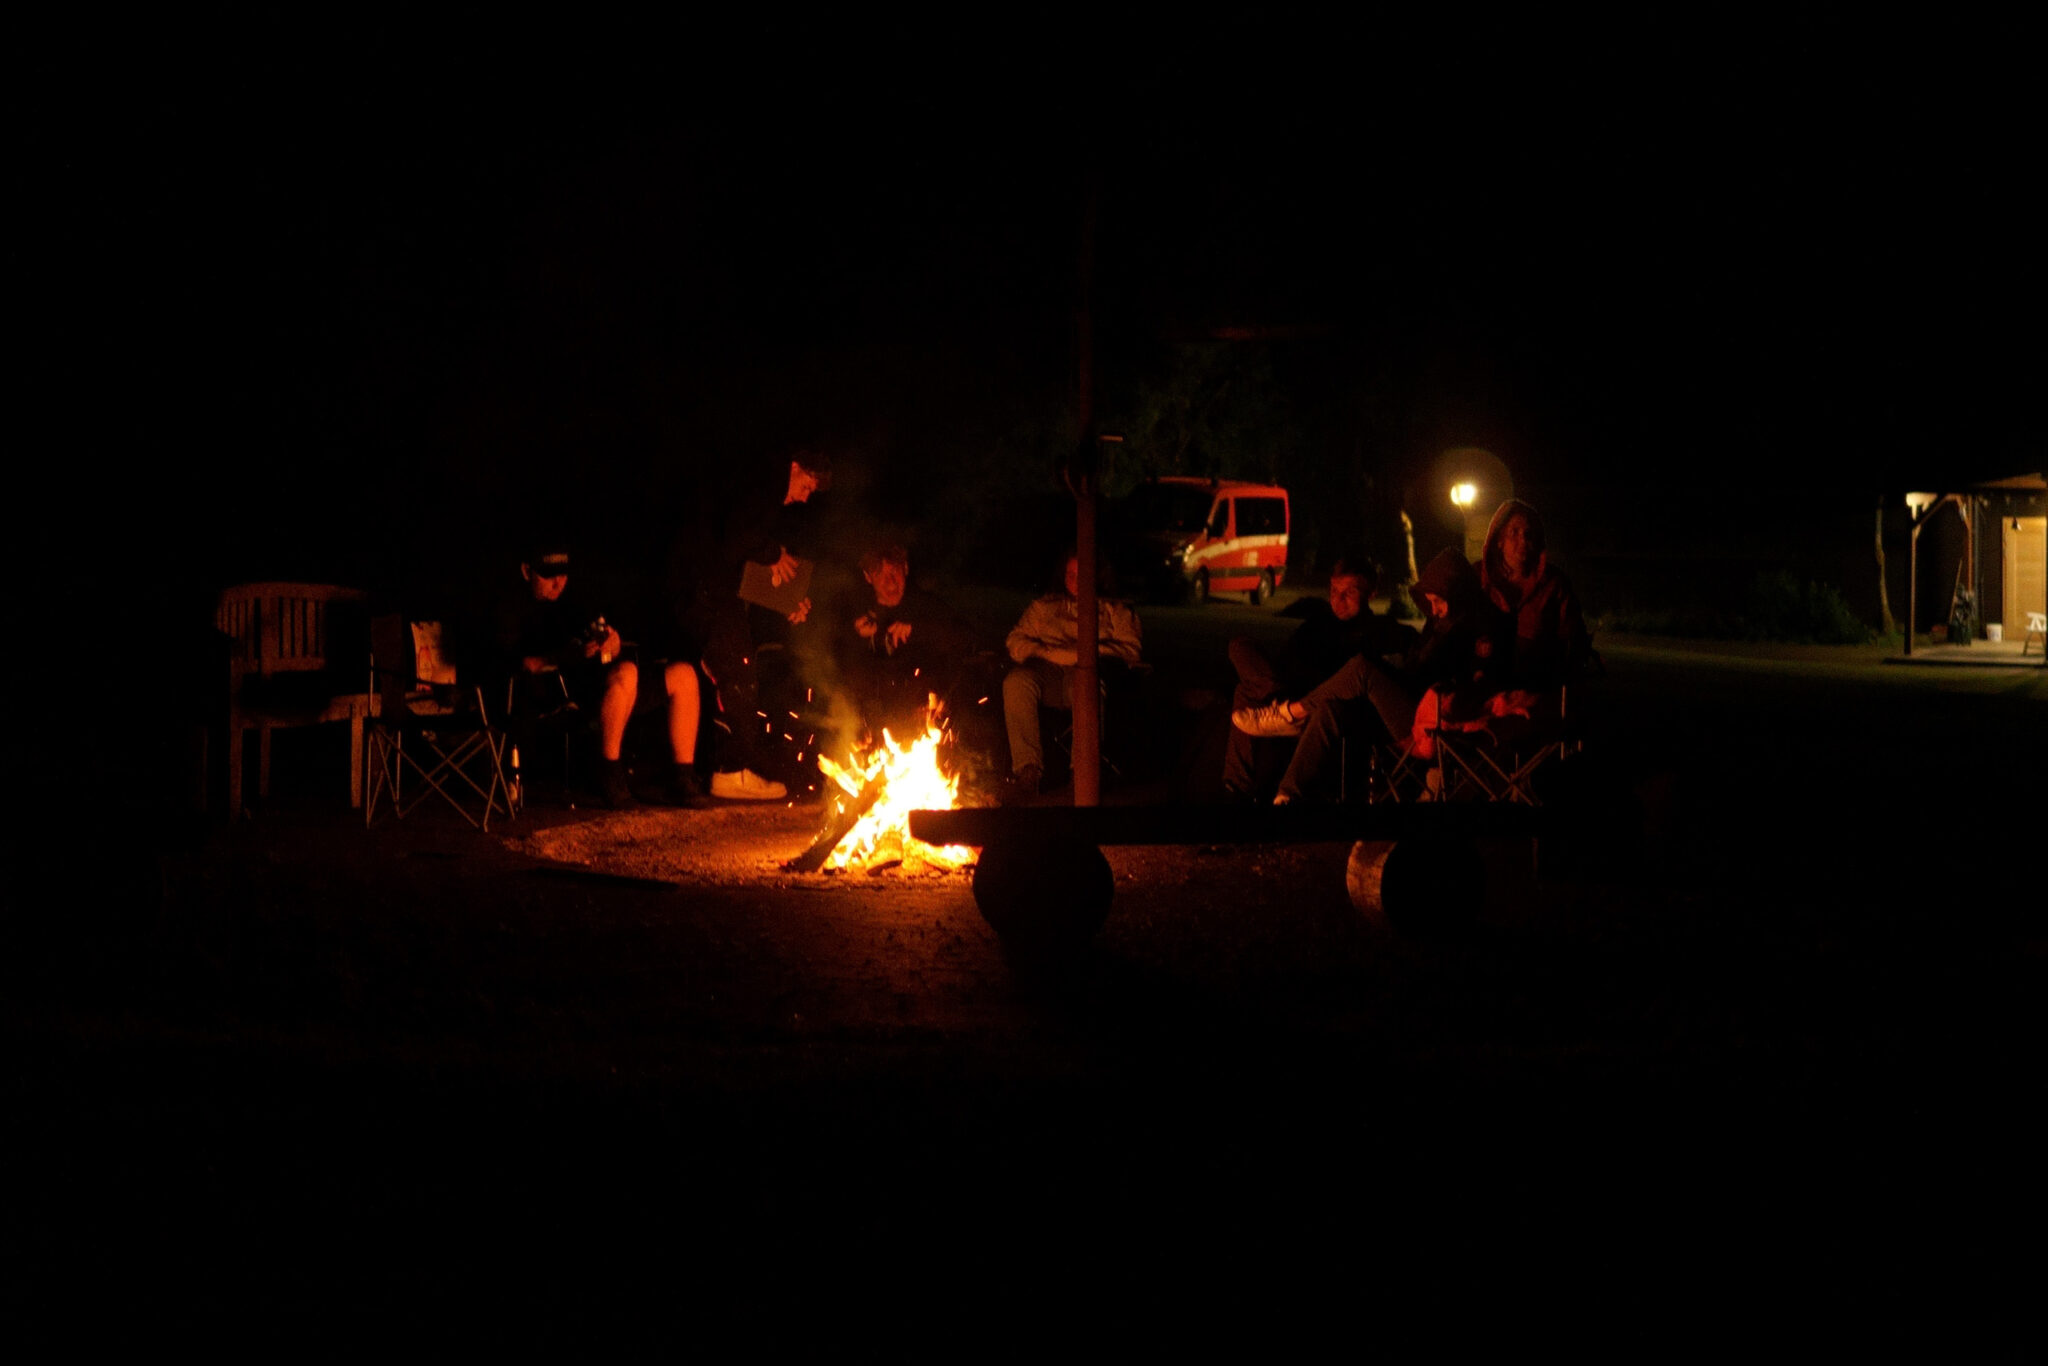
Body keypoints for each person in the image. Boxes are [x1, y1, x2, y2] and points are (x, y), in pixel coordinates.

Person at [1232, 546, 1506, 803]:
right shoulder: (1438, 625)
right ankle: (1284, 796)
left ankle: (1289, 714)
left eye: (1438, 601)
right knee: (1322, 704)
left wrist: (1392, 668)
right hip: (1385, 702)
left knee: (1361, 668)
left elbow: (1449, 679)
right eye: (1334, 590)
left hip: (1426, 719)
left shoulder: (1467, 631)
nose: (1433, 610)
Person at [487, 540, 708, 808]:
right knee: (626, 673)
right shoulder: (511, 608)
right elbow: (520, 662)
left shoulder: (574, 599)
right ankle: (610, 772)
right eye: (549, 577)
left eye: (563, 576)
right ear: (526, 571)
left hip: (602, 684)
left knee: (683, 674)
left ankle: (683, 777)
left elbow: (599, 635)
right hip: (559, 692)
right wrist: (567, 656)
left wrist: (610, 643)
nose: (558, 584)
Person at [665, 451, 831, 801]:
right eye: (805, 485)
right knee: (737, 670)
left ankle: (724, 767)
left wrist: (787, 600)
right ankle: (731, 772)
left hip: (709, 592)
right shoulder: (760, 485)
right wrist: (772, 552)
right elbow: (737, 535)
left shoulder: (751, 496)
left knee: (736, 667)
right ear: (794, 466)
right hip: (701, 592)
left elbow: (740, 566)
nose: (803, 497)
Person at [1221, 557, 1415, 800]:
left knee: (1244, 694)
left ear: (1371, 593)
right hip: (1285, 693)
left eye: (1350, 592)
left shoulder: (1383, 631)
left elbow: (1370, 681)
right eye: (1334, 591)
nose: (1338, 599)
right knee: (1240, 646)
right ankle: (1236, 787)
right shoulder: (1316, 627)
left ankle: (1235, 790)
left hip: (1321, 704)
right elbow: (1285, 661)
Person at [1002, 551, 1143, 794]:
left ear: (1097, 576)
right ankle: (1028, 770)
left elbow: (1131, 650)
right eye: (1070, 574)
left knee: (1084, 685)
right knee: (1016, 682)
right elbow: (1015, 641)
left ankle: (1081, 773)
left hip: (1090, 672)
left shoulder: (1115, 610)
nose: (1076, 581)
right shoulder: (1045, 607)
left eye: (1083, 575)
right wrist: (1046, 652)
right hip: (1049, 672)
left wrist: (1089, 655)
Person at [836, 543, 977, 743]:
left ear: (906, 569)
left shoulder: (926, 606)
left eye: (894, 572)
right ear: (868, 577)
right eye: (880, 575)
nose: (890, 582)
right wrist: (856, 638)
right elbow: (837, 660)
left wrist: (917, 630)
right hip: (873, 719)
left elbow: (966, 638)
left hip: (925, 717)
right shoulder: (859, 614)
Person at [1476, 499, 1593, 731]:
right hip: (1483, 680)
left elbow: (1572, 639)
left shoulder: (1554, 585)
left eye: (1529, 534)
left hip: (1536, 684)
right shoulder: (1479, 580)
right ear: (1499, 541)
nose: (1523, 541)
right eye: (1514, 533)